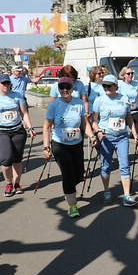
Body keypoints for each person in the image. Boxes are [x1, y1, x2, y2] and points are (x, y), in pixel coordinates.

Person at [43, 77, 92, 218]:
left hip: (76, 143)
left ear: (72, 89)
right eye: (61, 87)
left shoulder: (78, 103)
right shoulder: (54, 105)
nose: (64, 90)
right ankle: (73, 206)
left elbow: (85, 124)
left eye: (67, 87)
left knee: (79, 174)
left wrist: (92, 136)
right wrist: (46, 147)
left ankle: (69, 190)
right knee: (68, 174)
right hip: (60, 144)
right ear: (58, 89)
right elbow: (46, 127)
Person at [93, 74, 138, 206]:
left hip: (121, 137)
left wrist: (135, 134)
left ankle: (126, 196)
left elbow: (129, 118)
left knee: (125, 165)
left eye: (109, 85)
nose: (106, 88)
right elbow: (93, 121)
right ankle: (106, 191)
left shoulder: (124, 99)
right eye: (104, 86)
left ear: (116, 86)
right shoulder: (99, 100)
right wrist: (97, 132)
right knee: (106, 166)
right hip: (106, 137)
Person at [0, 73, 36, 196]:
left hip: (18, 131)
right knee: (6, 159)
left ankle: (17, 183)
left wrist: (30, 128)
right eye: (3, 83)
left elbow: (24, 113)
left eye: (8, 83)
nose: (6, 85)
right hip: (1, 132)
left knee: (17, 160)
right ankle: (8, 183)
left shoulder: (17, 96)